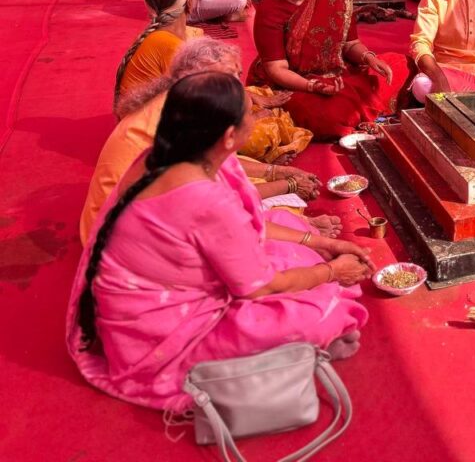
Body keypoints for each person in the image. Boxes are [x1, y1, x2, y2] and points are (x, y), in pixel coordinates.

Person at [68, 72, 371, 412]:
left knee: (287, 224)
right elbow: (261, 288)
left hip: (146, 297)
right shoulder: (205, 199)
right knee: (320, 313)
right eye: (251, 115)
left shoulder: (169, 154)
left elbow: (244, 223)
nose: (257, 119)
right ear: (229, 136)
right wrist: (333, 272)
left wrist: (319, 243)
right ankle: (305, 339)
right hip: (158, 335)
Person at [83, 38, 321, 245]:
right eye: (226, 79)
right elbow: (221, 206)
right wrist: (290, 189)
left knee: (254, 182)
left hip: (139, 221)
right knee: (278, 228)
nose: (238, 88)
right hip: (127, 238)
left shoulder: (184, 103)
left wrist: (279, 173)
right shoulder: (180, 123)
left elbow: (227, 167)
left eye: (237, 76)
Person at [249, 0, 408, 138]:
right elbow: (276, 69)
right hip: (294, 83)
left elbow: (350, 45)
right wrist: (313, 86)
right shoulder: (270, 10)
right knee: (330, 116)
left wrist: (368, 57)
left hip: (338, 73)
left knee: (403, 65)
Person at [113, 0, 200, 109]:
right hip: (148, 119)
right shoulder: (169, 44)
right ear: (189, 1)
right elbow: (192, 101)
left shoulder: (166, 37)